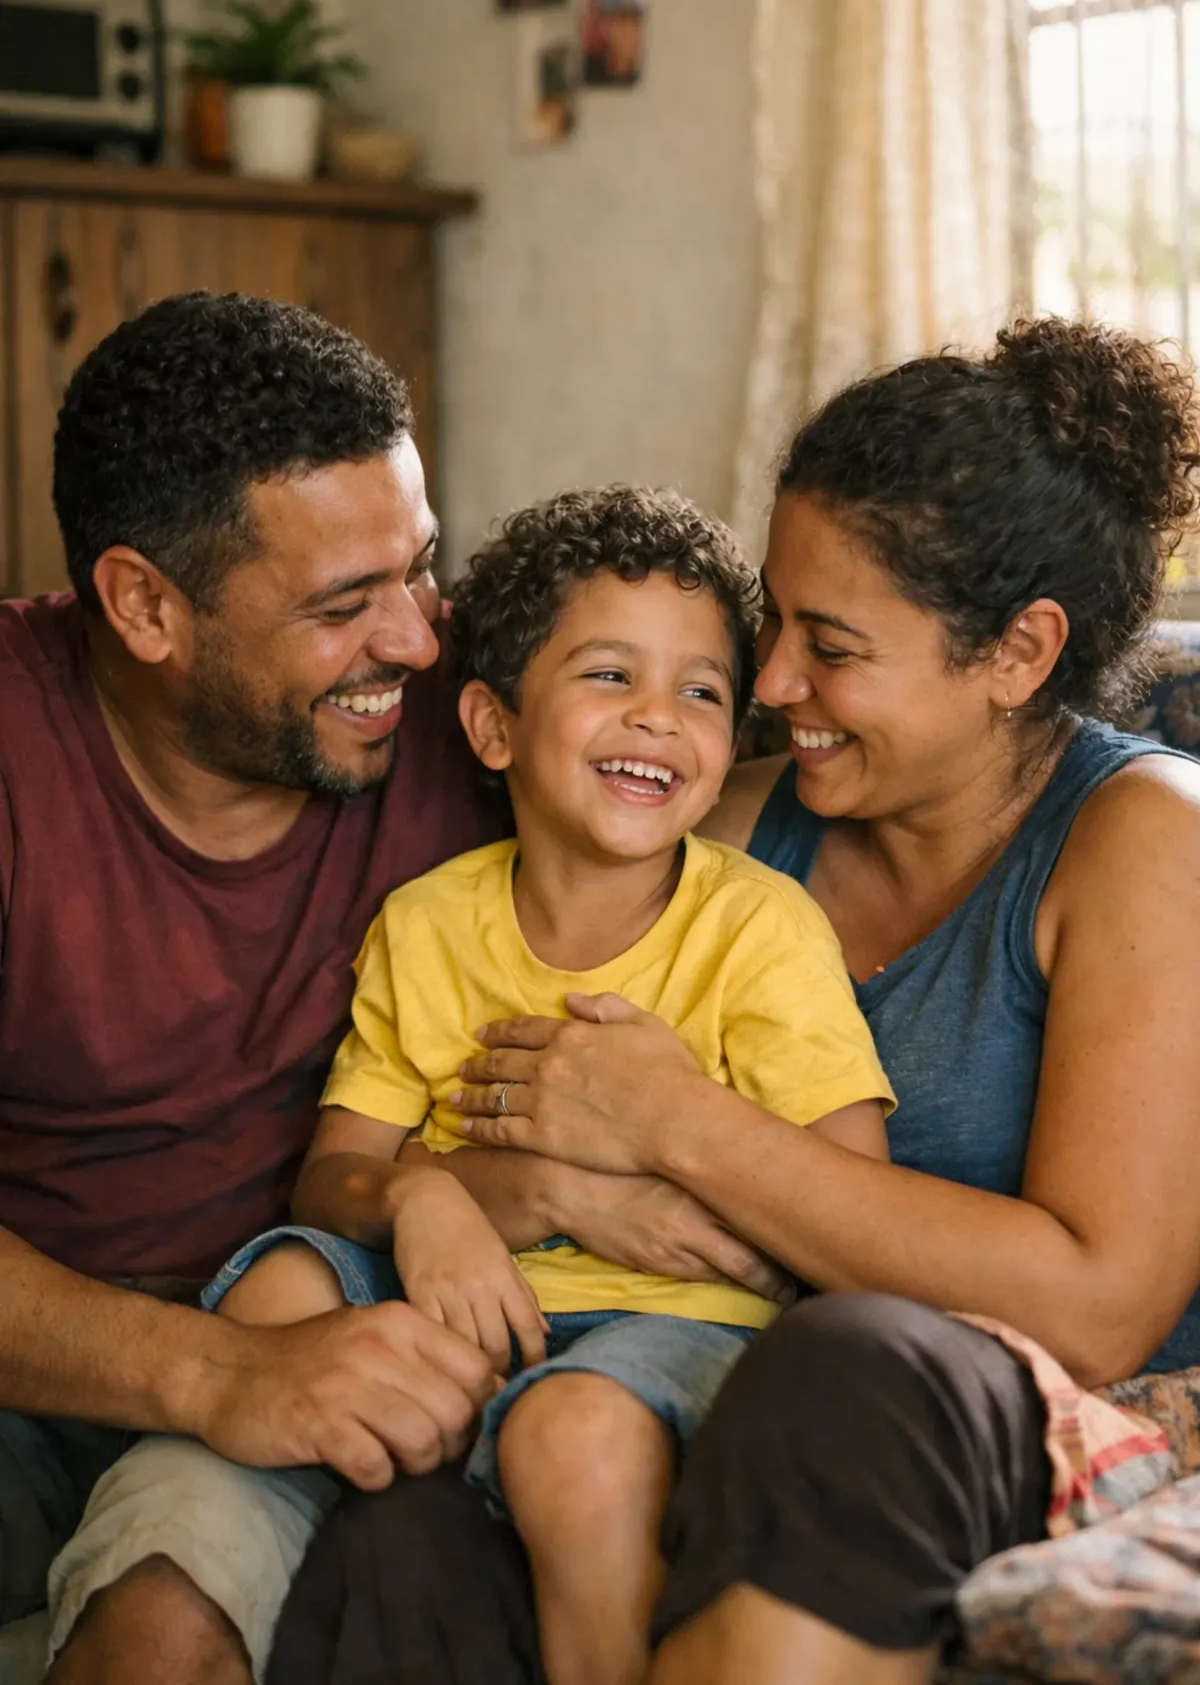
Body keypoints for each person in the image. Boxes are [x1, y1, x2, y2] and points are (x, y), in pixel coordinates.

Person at [267, 318, 1200, 1685]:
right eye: (772, 624)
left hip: (977, 1403)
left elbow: (1098, 1307)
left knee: (842, 1359)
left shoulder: (1140, 840)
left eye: (831, 645)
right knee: (409, 1523)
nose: (769, 688)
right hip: (669, 1361)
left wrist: (674, 1123)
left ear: (1016, 653)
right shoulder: (740, 815)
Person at [3, 291, 794, 1685]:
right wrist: (218, 1375)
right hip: (80, 1349)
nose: (422, 645)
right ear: (143, 605)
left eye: (418, 570)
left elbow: (779, 756)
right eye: (343, 604)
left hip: (326, 1320)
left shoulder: (486, 729)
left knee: (160, 1635)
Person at [205, 484, 894, 1685]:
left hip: (676, 1324)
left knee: (571, 1438)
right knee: (270, 1301)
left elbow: (854, 1199)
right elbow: (333, 1175)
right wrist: (425, 1202)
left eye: (703, 691)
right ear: (490, 726)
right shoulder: (425, 923)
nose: (661, 721)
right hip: (461, 1297)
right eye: (610, 676)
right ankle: (427, 1453)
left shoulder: (759, 930)